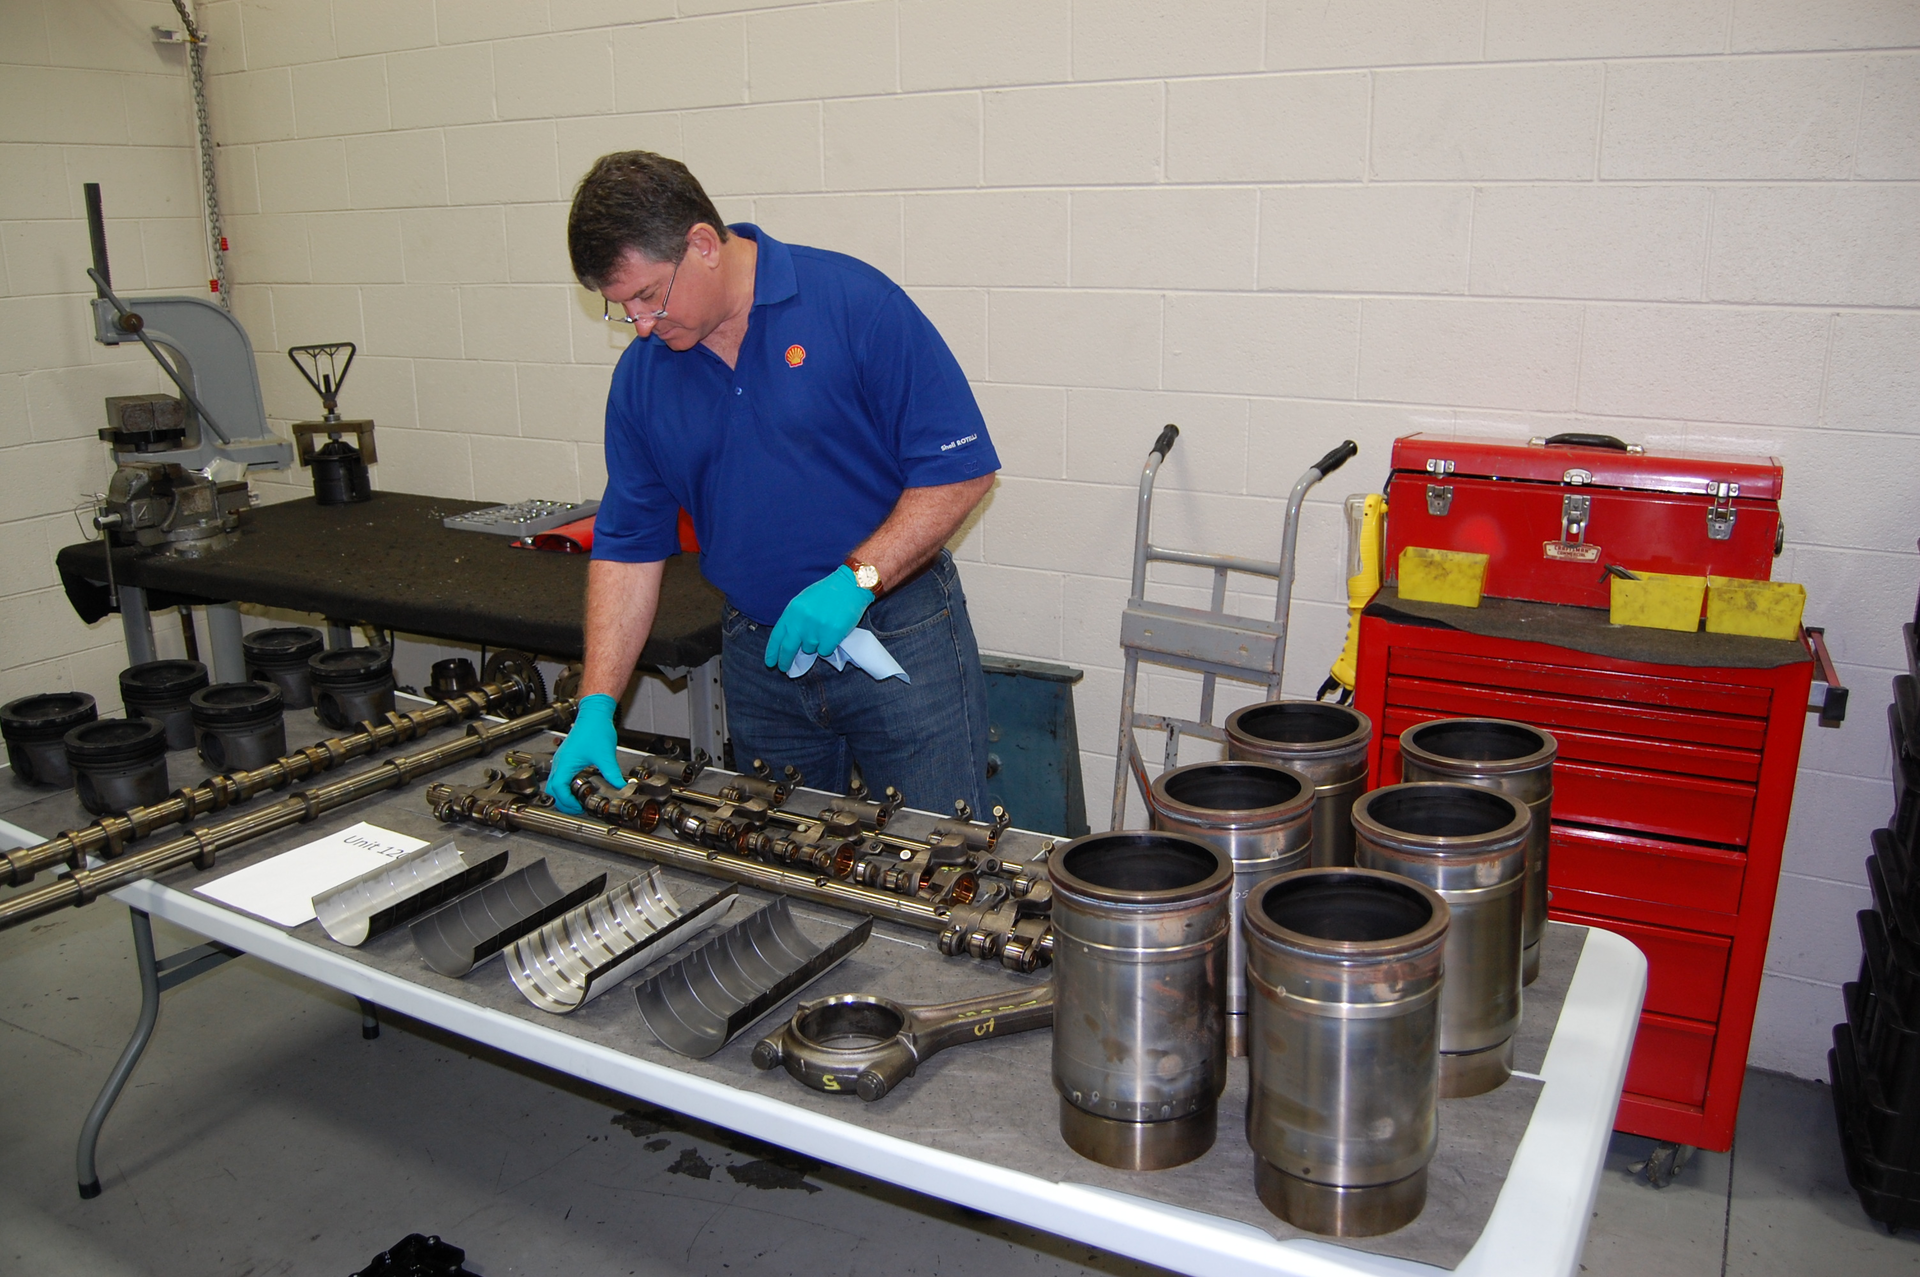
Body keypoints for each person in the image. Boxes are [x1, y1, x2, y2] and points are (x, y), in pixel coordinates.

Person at [544, 151, 1000, 819]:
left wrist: (858, 579)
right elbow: (628, 548)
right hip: (762, 657)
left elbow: (961, 472)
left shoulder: (853, 303)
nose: (640, 324)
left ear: (703, 245)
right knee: (779, 861)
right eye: (620, 307)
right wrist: (596, 706)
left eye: (648, 295)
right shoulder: (644, 376)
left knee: (936, 853)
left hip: (897, 634)